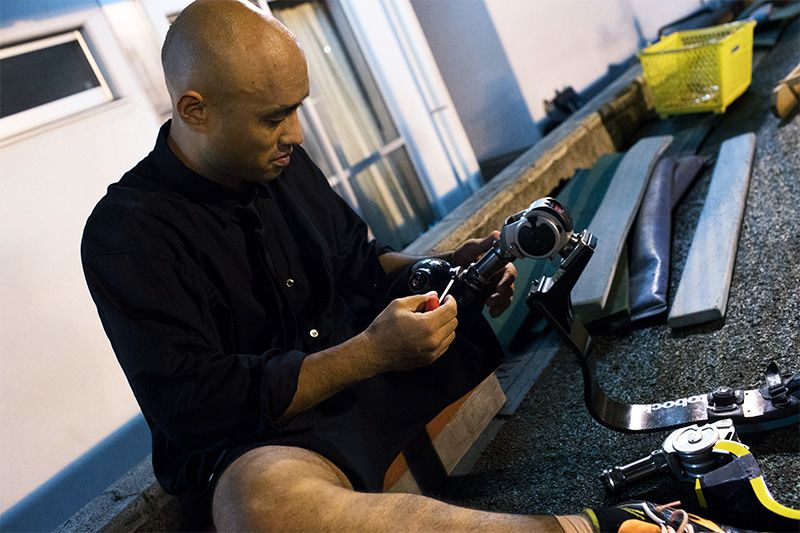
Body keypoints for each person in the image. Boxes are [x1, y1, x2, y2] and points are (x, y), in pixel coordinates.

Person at [81, 2, 749, 532]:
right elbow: (197, 406)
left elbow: (362, 261)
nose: (297, 135)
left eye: (299, 110)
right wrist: (368, 353)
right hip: (273, 435)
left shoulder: (281, 160)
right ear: (194, 110)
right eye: (274, 118)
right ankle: (593, 527)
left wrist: (445, 264)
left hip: (373, 379)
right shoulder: (126, 236)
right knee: (260, 509)